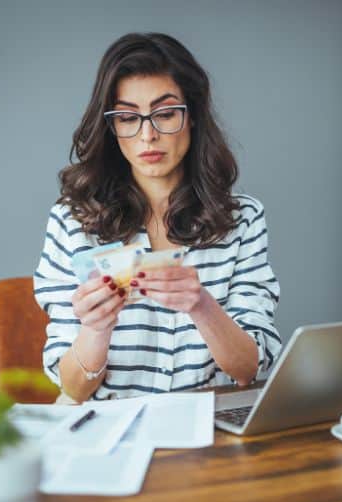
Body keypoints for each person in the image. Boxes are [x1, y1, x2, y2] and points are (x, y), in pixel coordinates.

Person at [33, 33, 281, 402]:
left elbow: (248, 371)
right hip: (110, 425)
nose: (148, 135)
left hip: (208, 426)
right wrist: (96, 330)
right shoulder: (73, 220)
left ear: (192, 116)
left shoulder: (242, 218)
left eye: (165, 114)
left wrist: (202, 305)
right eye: (128, 117)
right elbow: (73, 388)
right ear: (111, 126)